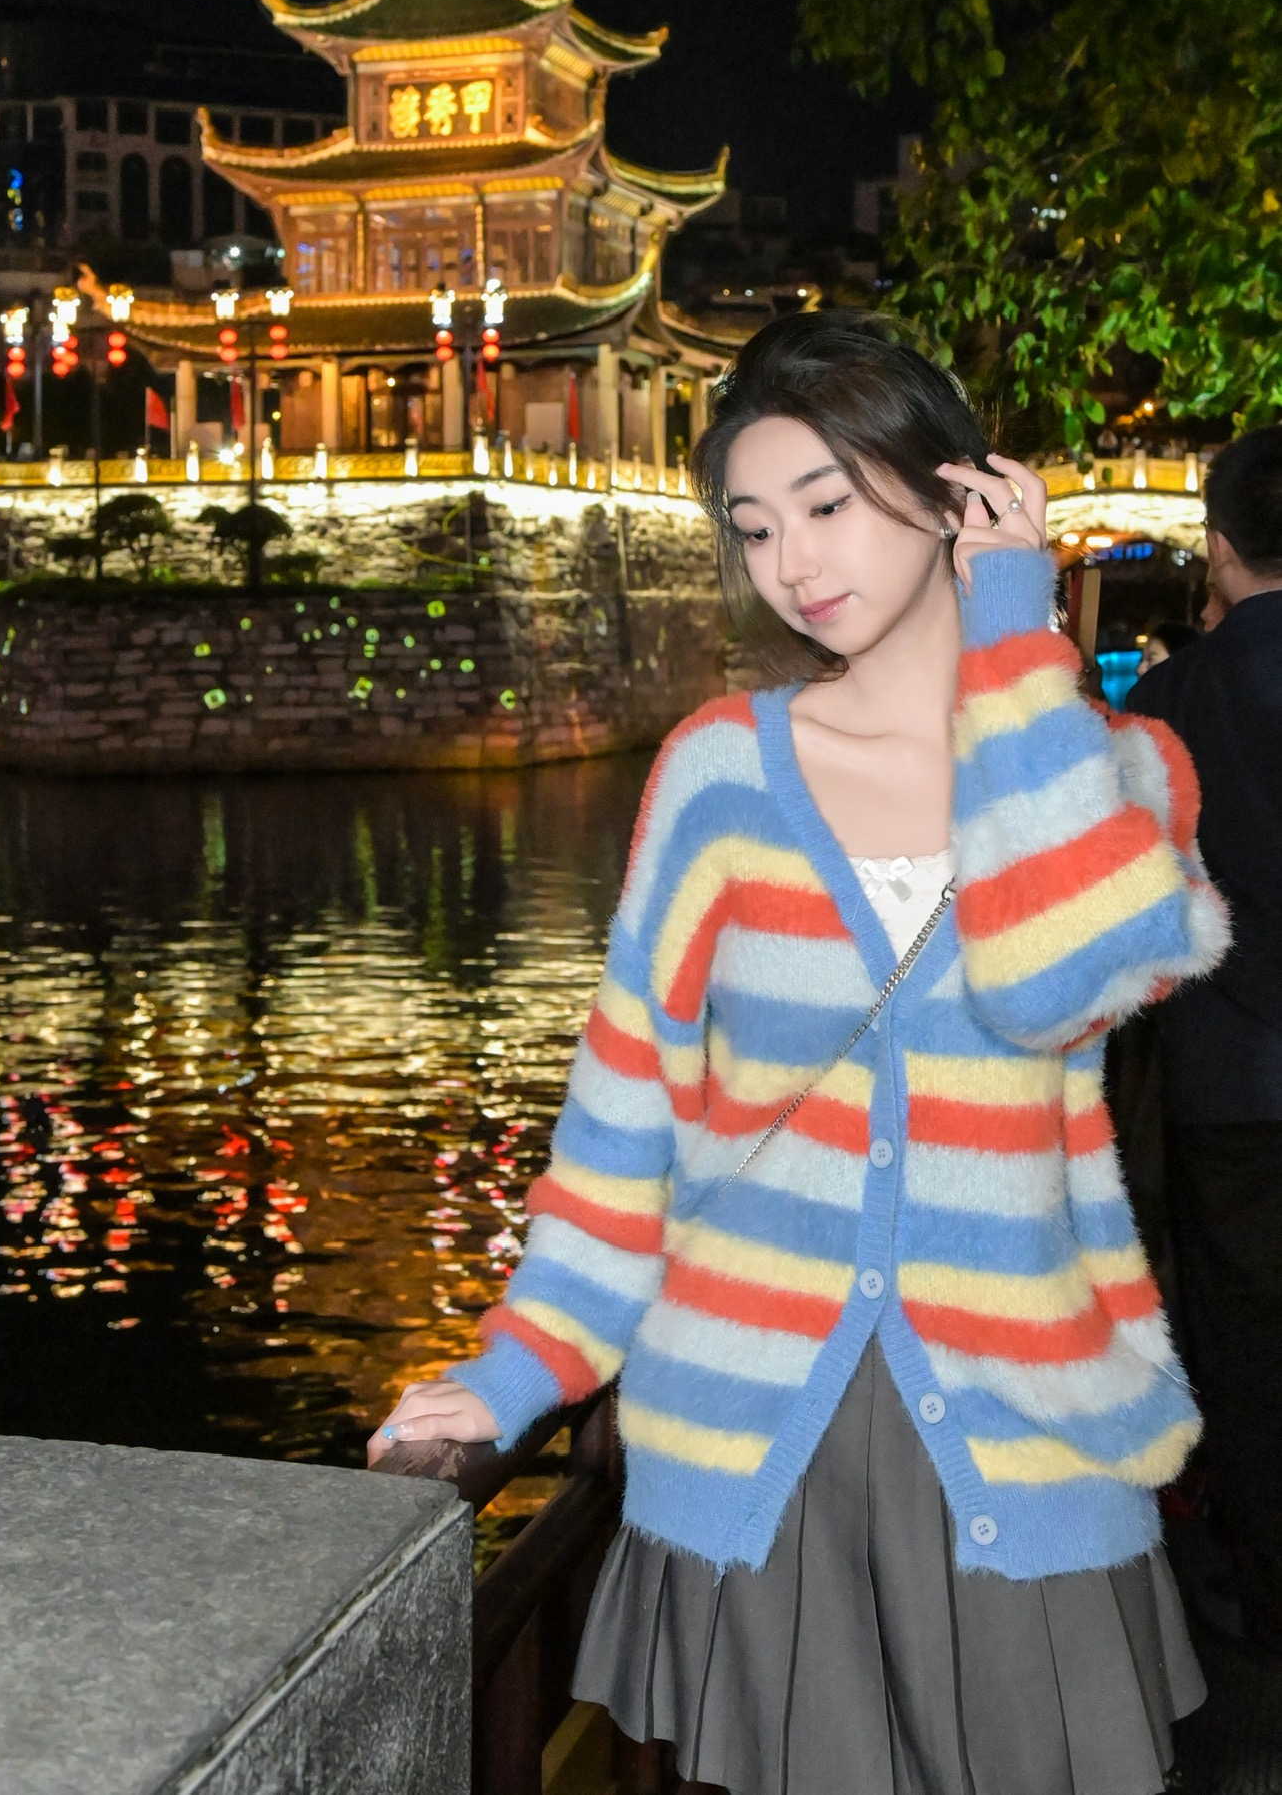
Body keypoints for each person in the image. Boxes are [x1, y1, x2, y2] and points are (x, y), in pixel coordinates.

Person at [371, 314, 1228, 1795]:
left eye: (827, 504)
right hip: (754, 1421)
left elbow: (1058, 981)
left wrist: (1015, 631)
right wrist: (523, 1362)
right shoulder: (719, 772)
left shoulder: (1113, 772)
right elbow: (629, 1111)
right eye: (756, 525)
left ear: (951, 491)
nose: (792, 563)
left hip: (1028, 1418)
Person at [1127, 424, 1282, 1656]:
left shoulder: (1169, 703)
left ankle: (1265, 1591)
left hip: (1229, 1080)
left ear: (1219, 546)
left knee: (1243, 1347)